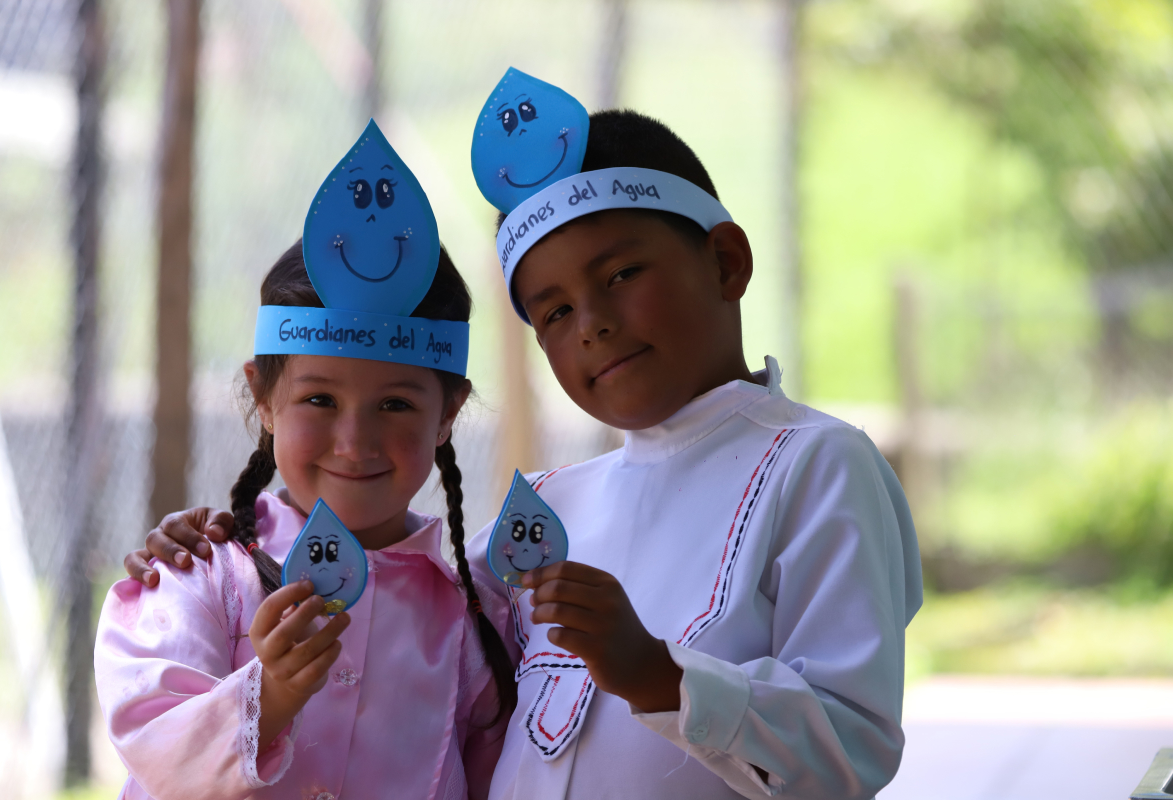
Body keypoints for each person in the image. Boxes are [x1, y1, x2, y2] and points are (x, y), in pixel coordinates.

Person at [128, 74, 922, 800]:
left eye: (619, 276)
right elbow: (397, 579)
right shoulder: (548, 507)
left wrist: (660, 677)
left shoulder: (817, 466)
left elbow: (849, 749)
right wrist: (214, 537)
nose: (593, 325)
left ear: (725, 260)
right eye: (554, 312)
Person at [96, 120, 515, 800]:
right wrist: (268, 700)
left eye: (397, 405)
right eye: (320, 399)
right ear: (263, 398)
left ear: (450, 413)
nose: (355, 441)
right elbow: (152, 741)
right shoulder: (197, 578)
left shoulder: (477, 615)